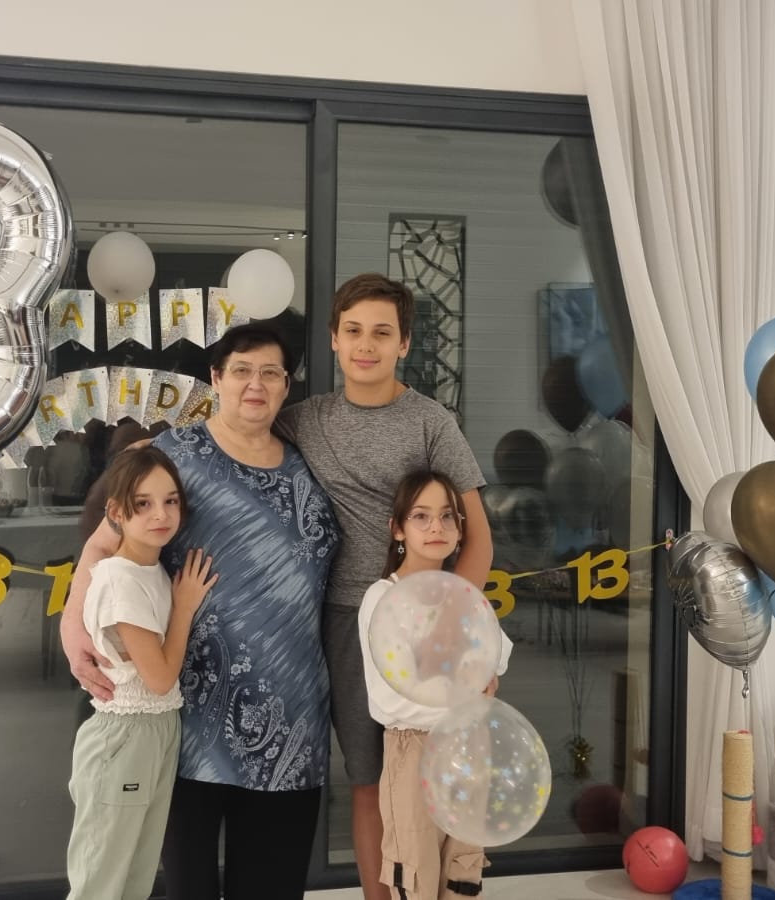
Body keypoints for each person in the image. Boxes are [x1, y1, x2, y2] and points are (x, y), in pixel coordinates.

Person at [61, 323, 340, 900]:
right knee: (188, 885)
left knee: (272, 889)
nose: (255, 384)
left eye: (270, 373)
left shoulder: (310, 467)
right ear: (216, 378)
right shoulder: (171, 456)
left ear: (286, 385)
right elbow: (101, 544)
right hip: (187, 718)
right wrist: (72, 624)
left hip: (291, 718)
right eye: (241, 371)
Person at [276, 273, 494, 900]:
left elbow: (478, 539)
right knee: (369, 778)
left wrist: (452, 625)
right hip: (347, 620)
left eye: (381, 333)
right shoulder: (306, 419)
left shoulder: (430, 423)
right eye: (353, 331)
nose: (365, 345)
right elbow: (237, 432)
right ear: (333, 339)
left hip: (427, 624)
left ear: (404, 344)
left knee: (438, 771)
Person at [65, 447, 216, 900]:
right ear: (116, 512)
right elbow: (160, 678)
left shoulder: (150, 570)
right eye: (143, 503)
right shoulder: (120, 579)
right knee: (101, 885)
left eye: (170, 501)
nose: (161, 514)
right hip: (125, 736)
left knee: (134, 880)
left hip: (156, 731)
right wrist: (184, 608)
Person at [358, 470, 512, 900]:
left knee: (463, 870)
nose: (436, 527)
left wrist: (480, 677)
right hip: (415, 750)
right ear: (398, 529)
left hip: (469, 745)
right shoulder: (382, 598)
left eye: (447, 516)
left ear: (460, 529)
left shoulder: (462, 595)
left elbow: (497, 656)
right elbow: (390, 698)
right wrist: (463, 690)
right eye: (421, 516)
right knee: (416, 873)